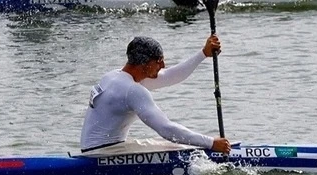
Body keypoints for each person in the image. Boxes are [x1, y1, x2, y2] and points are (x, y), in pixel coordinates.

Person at [79, 35, 231, 156]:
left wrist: (203, 54)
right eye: (159, 61)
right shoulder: (132, 90)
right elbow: (166, 129)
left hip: (94, 149)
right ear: (145, 63)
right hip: (102, 154)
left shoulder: (113, 76)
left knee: (175, 145)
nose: (163, 65)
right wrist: (211, 143)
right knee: (179, 147)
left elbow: (171, 76)